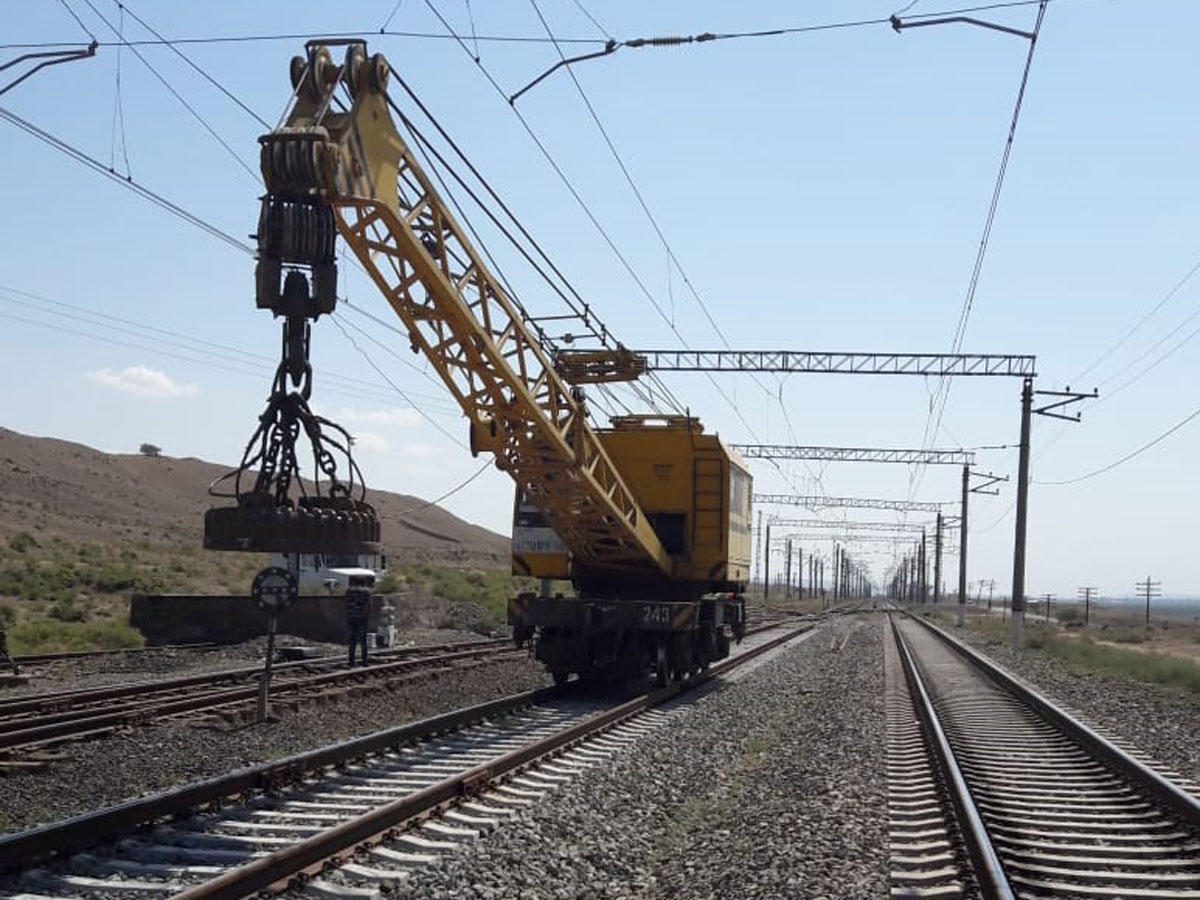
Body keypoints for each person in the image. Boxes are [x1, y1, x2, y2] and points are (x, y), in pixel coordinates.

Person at [345, 576, 371, 667]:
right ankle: (365, 660)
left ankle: (351, 661)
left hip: (351, 617)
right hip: (361, 619)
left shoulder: (348, 591)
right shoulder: (366, 592)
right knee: (363, 640)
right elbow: (368, 606)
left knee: (352, 640)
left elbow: (346, 604)